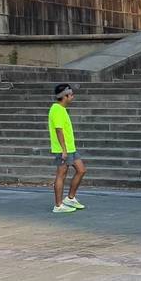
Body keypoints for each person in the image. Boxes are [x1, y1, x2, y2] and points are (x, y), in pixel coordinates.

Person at [49, 83, 86, 214]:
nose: (73, 97)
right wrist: (63, 150)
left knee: (81, 170)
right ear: (65, 96)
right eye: (71, 95)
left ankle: (70, 198)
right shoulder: (57, 110)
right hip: (63, 149)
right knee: (61, 175)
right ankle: (58, 205)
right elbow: (59, 131)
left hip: (71, 148)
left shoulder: (62, 109)